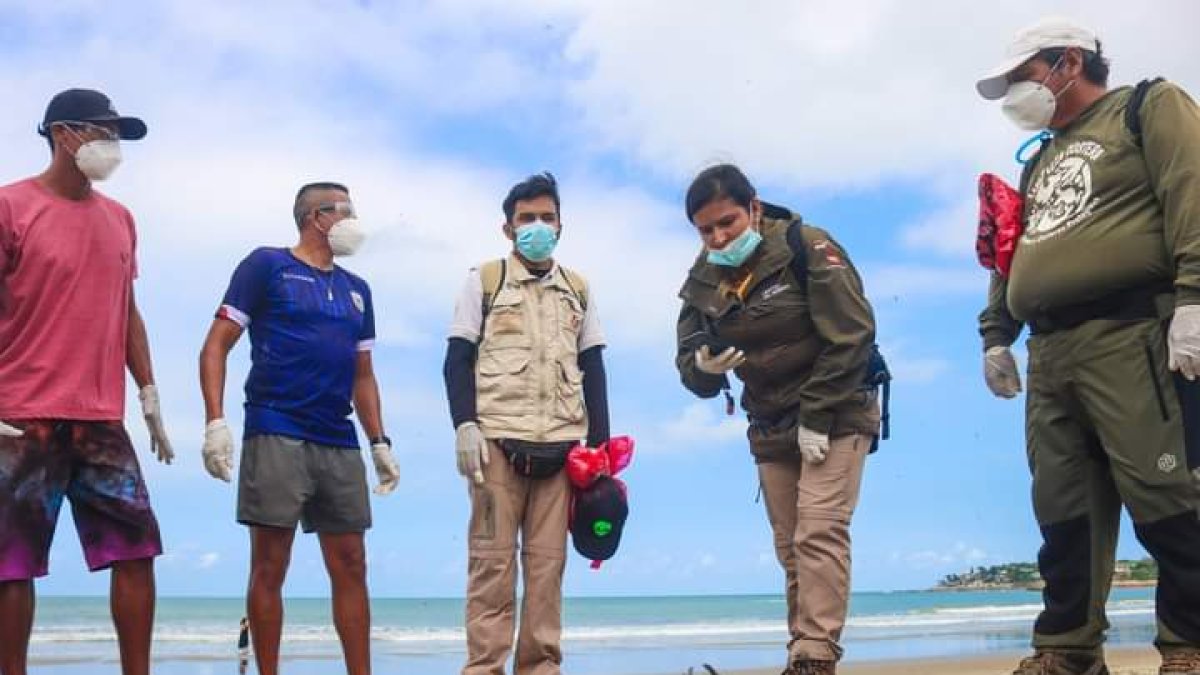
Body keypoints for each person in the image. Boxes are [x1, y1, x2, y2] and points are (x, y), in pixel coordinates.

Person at [976, 16, 1200, 675]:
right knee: (1063, 510)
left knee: (1168, 497)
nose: (1019, 93)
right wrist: (997, 333)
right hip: (1051, 354)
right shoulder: (1041, 156)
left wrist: (1194, 295)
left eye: (1022, 78)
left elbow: (1192, 190)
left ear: (1068, 62)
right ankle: (1069, 649)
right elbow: (1013, 248)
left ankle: (1189, 644)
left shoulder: (1147, 107)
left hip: (1133, 334)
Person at [674, 164, 879, 675]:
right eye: (706, 229)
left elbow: (854, 334)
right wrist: (702, 367)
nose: (719, 237)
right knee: (790, 546)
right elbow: (687, 359)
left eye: (728, 222)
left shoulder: (805, 246)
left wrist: (817, 412)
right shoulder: (702, 280)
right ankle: (801, 651)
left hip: (836, 410)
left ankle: (816, 653)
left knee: (819, 530)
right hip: (768, 423)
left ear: (754, 209)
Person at [0, 88, 173, 675]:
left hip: (101, 415)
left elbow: (127, 308)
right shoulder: (11, 207)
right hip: (21, 415)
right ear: (62, 134)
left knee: (137, 550)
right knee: (13, 562)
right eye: (101, 132)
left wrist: (148, 394)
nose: (110, 145)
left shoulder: (120, 219)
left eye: (115, 135)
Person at [198, 181, 400, 675]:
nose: (355, 220)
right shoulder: (267, 266)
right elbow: (215, 345)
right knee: (270, 564)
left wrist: (379, 442)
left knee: (352, 563)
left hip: (338, 438)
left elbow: (363, 374)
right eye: (347, 211)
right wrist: (215, 423)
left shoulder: (357, 291)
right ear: (317, 217)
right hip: (275, 429)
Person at [443, 172, 611, 675]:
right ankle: (484, 669)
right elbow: (457, 358)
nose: (537, 226)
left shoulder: (578, 289)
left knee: (546, 574)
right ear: (508, 228)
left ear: (560, 225)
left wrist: (599, 449)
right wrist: (464, 425)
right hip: (495, 452)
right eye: (526, 219)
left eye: (546, 217)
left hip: (561, 455)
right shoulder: (485, 280)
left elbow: (594, 367)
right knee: (490, 571)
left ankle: (541, 669)